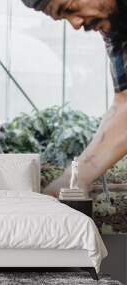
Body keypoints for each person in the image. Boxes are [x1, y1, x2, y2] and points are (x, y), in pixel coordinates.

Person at [21, 0, 127, 195]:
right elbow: (124, 101)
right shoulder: (114, 24)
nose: (75, 24)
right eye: (64, 17)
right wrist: (75, 177)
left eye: (69, 9)